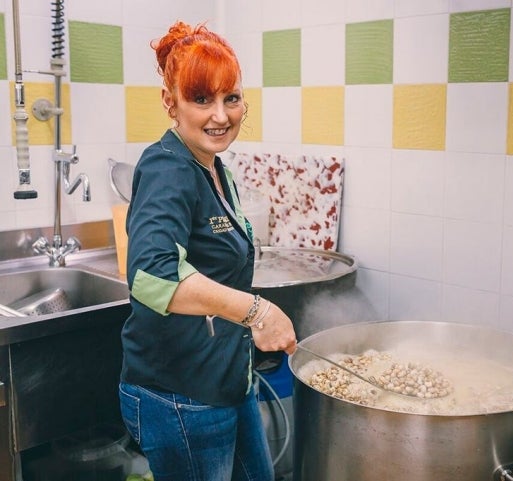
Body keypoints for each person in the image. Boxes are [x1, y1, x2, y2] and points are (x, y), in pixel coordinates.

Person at [118, 21, 297, 481]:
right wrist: (258, 312)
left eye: (230, 98)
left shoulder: (214, 167)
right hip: (181, 395)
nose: (221, 115)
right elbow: (152, 277)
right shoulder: (167, 167)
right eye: (202, 99)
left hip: (224, 382)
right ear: (170, 103)